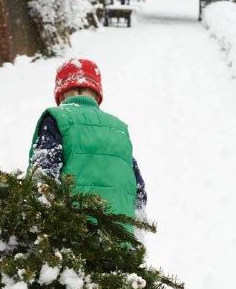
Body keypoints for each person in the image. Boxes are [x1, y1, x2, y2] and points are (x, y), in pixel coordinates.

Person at [28, 58, 147, 222]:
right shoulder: (119, 129)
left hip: (74, 233)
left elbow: (42, 175)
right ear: (98, 96)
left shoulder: (57, 119)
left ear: (60, 94)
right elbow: (138, 188)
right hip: (119, 235)